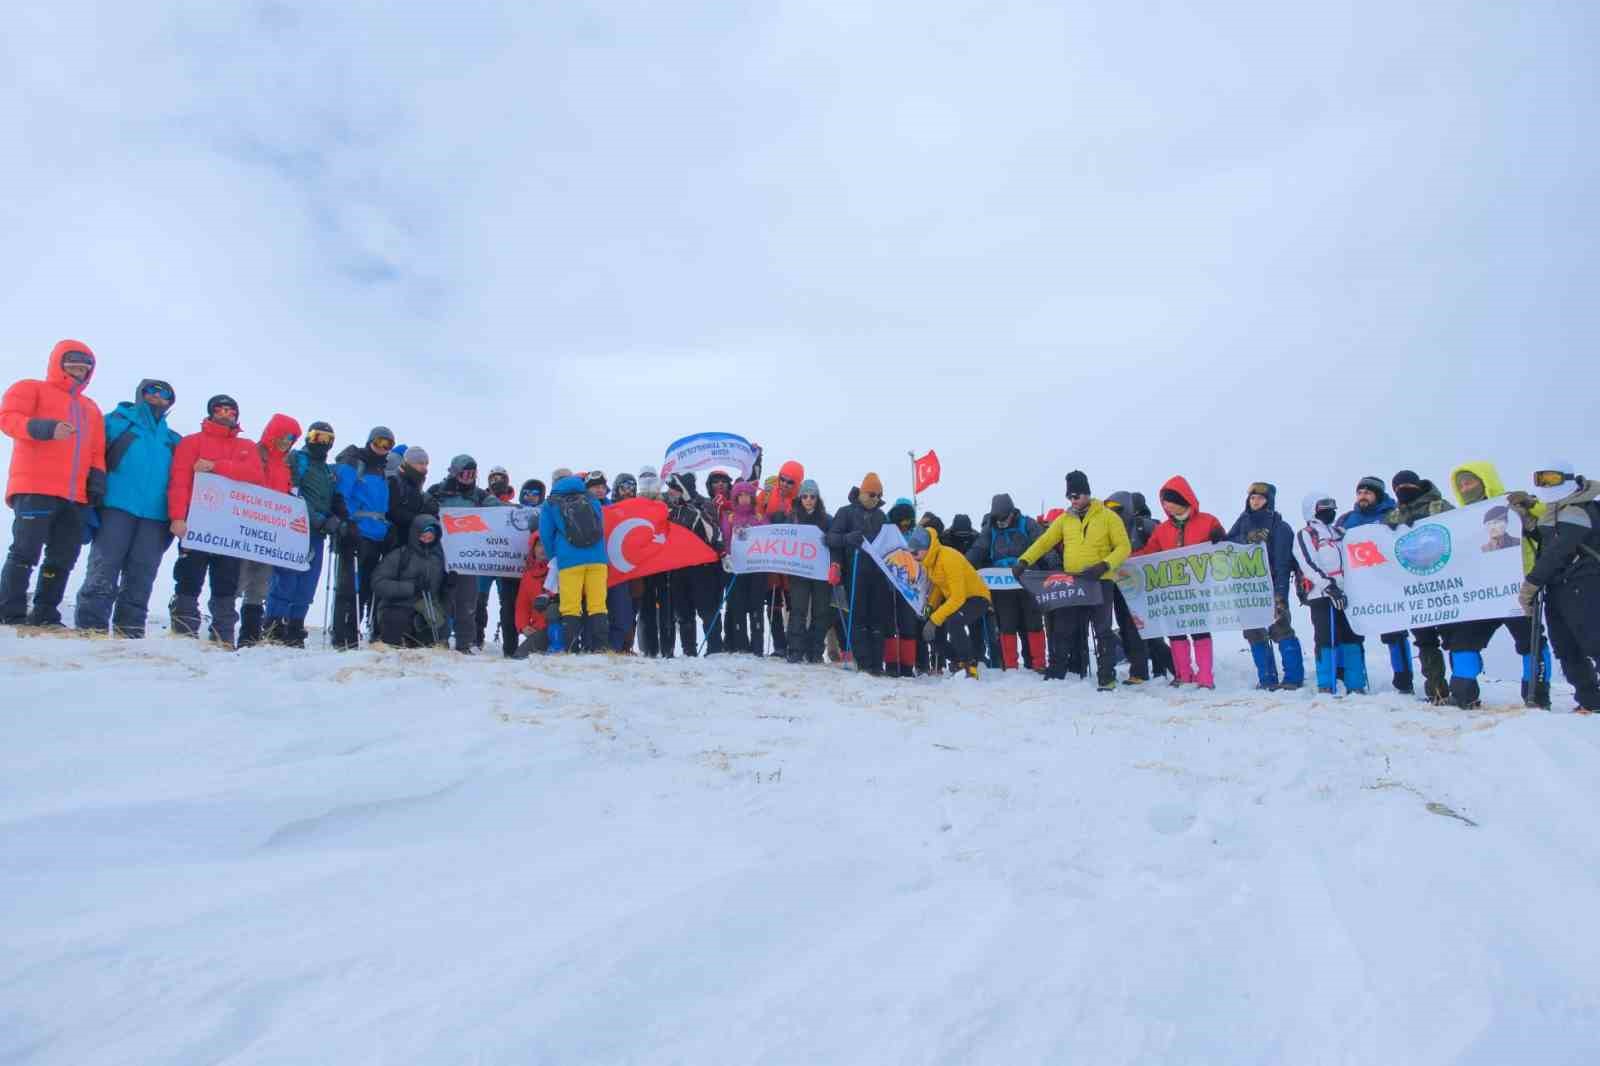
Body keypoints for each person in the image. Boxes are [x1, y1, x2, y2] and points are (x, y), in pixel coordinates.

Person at [1, 341, 106, 627]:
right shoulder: (30, 388)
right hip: (35, 487)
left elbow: (97, 450)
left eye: (85, 366)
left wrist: (96, 480)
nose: (78, 370)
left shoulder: (90, 408)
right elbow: (8, 419)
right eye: (72, 364)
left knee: (62, 557)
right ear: (58, 363)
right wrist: (44, 428)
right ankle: (10, 613)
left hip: (75, 496)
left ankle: (46, 614)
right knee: (25, 551)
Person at [73, 378, 179, 638]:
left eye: (165, 394)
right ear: (141, 394)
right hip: (116, 506)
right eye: (152, 391)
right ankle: (90, 629)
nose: (158, 397)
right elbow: (88, 452)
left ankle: (129, 633)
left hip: (156, 516)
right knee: (104, 566)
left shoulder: (172, 439)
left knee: (142, 573)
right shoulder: (116, 422)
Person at [1443, 461, 1551, 708]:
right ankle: (1463, 695)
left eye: (1470, 481)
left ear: (1485, 481)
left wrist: (1530, 506)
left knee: (1530, 641)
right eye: (1461, 485)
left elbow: (1547, 519)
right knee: (1463, 640)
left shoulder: (1513, 504)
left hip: (1518, 589)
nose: (1465, 487)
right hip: (1479, 593)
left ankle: (1537, 696)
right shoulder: (1459, 520)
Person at [1017, 470, 1130, 689]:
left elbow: (1124, 547)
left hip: (1100, 580)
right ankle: (1057, 673)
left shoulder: (1108, 517)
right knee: (1063, 627)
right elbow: (1045, 542)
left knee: (1102, 630)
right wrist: (1024, 560)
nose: (1073, 500)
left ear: (1087, 493)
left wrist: (1104, 565)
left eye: (1077, 495)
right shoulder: (1064, 519)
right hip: (1074, 581)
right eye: (1070, 496)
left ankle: (1107, 677)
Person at [166, 395, 264, 644]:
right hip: (196, 523)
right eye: (219, 409)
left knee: (226, 582)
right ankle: (184, 633)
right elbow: (179, 483)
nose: (225, 413)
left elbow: (255, 477)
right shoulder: (190, 443)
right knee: (189, 576)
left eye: (230, 410)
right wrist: (177, 517)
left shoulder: (247, 446)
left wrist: (215, 466)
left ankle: (223, 637)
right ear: (210, 412)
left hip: (229, 528)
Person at [1520, 460, 1600, 713]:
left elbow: (1558, 551)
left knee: (1594, 641)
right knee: (1566, 646)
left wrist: (1531, 584)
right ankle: (1590, 701)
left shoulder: (1579, 509)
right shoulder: (1554, 510)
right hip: (1557, 586)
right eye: (1540, 479)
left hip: (1583, 582)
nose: (1546, 485)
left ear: (1569, 479)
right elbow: (1546, 541)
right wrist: (1526, 518)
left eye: (1552, 479)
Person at [1141, 475, 1225, 688]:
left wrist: (1220, 538)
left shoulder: (1208, 521)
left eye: (1169, 500)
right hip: (1171, 590)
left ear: (1182, 499)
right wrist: (1127, 560)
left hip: (1199, 588)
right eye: (1164, 502)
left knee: (1199, 629)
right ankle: (1183, 674)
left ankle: (1205, 676)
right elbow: (1149, 553)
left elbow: (1226, 548)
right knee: (1176, 631)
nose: (1166, 505)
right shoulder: (1162, 530)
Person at [264, 421, 343, 647]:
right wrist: (317, 518)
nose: (322, 443)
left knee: (308, 579)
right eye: (317, 437)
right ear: (309, 438)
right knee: (287, 575)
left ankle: (295, 624)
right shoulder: (298, 460)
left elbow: (329, 496)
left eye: (327, 439)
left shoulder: (326, 470)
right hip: (295, 529)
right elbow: (293, 492)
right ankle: (274, 623)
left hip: (318, 533)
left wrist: (336, 515)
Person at [1227, 482, 1307, 690]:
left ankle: (1293, 678)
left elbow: (1283, 562)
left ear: (1268, 501)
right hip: (1247, 587)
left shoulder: (1280, 527)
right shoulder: (1242, 522)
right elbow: (1228, 545)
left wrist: (1281, 593)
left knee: (1280, 629)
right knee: (1254, 631)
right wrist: (1246, 538)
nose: (1255, 501)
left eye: (1260, 498)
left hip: (1272, 585)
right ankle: (1267, 677)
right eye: (1252, 498)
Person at [1385, 470, 1455, 704]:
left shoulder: (1440, 506)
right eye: (1397, 487)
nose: (1401, 489)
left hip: (1446, 585)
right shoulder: (1396, 514)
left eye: (1406, 485)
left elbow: (1463, 533)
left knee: (1455, 639)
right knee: (1425, 640)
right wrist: (1388, 526)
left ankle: (1464, 686)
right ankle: (1436, 690)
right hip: (1415, 587)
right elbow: (1385, 544)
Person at [1337, 475, 1409, 694]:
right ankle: (1350, 677)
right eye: (1360, 492)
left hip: (1387, 583)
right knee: (1351, 630)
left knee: (1394, 632)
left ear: (1378, 495)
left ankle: (1403, 679)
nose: (1363, 496)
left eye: (1368, 492)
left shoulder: (1393, 514)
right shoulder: (1347, 519)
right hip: (1357, 584)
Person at [236, 413, 302, 647]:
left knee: (260, 583)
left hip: (269, 535)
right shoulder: (251, 454)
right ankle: (220, 627)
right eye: (283, 436)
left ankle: (250, 635)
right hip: (244, 529)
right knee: (237, 579)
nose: (286, 442)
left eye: (291, 438)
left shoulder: (284, 467)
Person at [1292, 491, 1367, 695]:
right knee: (1326, 637)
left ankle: (1355, 682)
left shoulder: (1340, 533)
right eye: (1324, 506)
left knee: (1352, 636)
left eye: (1332, 506)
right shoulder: (1307, 534)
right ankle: (1326, 681)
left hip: (1346, 592)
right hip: (1322, 594)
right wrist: (1328, 585)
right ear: (1313, 509)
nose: (1330, 510)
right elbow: (1307, 562)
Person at [427, 455, 502, 653]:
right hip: (441, 553)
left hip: (468, 556)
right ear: (454, 472)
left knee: (467, 600)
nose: (468, 477)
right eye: (464, 473)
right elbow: (424, 514)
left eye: (472, 474)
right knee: (440, 597)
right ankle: (439, 639)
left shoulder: (479, 496)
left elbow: (498, 513)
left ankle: (464, 643)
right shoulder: (437, 492)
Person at [965, 492, 1045, 672]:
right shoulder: (990, 529)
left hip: (1027, 581)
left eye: (1003, 518)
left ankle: (1039, 663)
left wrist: (1054, 566)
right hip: (1002, 586)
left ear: (1012, 513)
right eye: (997, 519)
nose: (1000, 522)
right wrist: (964, 565)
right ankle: (1010, 666)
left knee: (1033, 622)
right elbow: (978, 549)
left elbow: (1043, 546)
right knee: (1006, 624)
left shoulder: (1028, 524)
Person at [331, 427, 395, 649]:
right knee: (351, 586)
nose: (382, 448)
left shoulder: (382, 469)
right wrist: (346, 523)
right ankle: (344, 636)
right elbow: (342, 494)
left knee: (367, 586)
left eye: (388, 445)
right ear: (369, 441)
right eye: (378, 442)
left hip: (377, 534)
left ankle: (357, 632)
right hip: (357, 531)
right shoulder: (355, 462)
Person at [827, 472, 893, 674]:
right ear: (862, 492)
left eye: (878, 495)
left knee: (876, 620)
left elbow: (891, 545)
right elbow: (830, 539)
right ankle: (864, 662)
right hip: (854, 573)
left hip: (877, 575)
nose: (875, 499)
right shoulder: (846, 512)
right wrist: (847, 539)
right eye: (871, 494)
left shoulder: (882, 517)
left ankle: (877, 663)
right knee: (858, 619)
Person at [539, 473, 610, 654]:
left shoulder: (551, 503)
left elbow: (546, 535)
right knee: (598, 604)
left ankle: (571, 648)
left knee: (570, 606)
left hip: (569, 559)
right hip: (597, 559)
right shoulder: (590, 498)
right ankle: (600, 648)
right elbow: (600, 526)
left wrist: (554, 556)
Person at [908, 527, 990, 679]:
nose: (913, 556)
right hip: (958, 599)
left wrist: (934, 619)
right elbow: (939, 587)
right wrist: (929, 608)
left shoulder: (948, 558)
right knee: (934, 634)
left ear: (926, 548)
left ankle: (969, 665)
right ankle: (957, 661)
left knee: (954, 621)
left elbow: (958, 597)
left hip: (976, 598)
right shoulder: (930, 561)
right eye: (910, 552)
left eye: (915, 552)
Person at [666, 472, 723, 654]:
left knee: (708, 610)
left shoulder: (704, 504)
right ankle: (688, 650)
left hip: (703, 569)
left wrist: (694, 508)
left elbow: (715, 533)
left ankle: (714, 649)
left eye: (674, 490)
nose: (670, 493)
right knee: (683, 612)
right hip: (678, 567)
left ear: (683, 490)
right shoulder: (671, 510)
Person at [370, 514, 447, 647]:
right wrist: (411, 588)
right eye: (424, 534)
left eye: (431, 535)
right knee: (397, 630)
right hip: (397, 607)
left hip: (425, 610)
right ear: (415, 533)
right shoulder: (400, 555)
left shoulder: (438, 560)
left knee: (439, 632)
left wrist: (449, 585)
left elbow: (439, 593)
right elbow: (378, 582)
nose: (427, 539)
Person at [782, 479, 833, 664]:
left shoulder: (827, 520)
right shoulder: (793, 518)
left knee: (821, 612)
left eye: (812, 496)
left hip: (820, 573)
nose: (809, 500)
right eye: (805, 496)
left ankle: (815, 651)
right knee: (798, 611)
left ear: (817, 498)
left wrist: (831, 539)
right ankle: (796, 650)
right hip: (799, 572)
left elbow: (835, 543)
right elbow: (783, 540)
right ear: (800, 498)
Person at [720, 479, 767, 654]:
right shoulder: (729, 518)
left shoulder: (760, 517)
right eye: (740, 496)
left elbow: (770, 538)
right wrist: (726, 556)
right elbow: (724, 540)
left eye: (748, 495)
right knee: (737, 607)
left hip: (756, 569)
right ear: (735, 498)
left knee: (756, 607)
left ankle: (757, 647)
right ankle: (740, 646)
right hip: (736, 570)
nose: (745, 499)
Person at [884, 497, 924, 676]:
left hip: (910, 588)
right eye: (901, 521)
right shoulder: (886, 531)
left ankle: (907, 666)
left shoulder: (917, 536)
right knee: (890, 626)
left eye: (908, 521)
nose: (905, 525)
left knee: (908, 626)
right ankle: (892, 664)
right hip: (888, 585)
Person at [511, 532, 554, 658]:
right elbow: (522, 605)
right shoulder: (528, 576)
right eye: (539, 545)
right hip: (537, 630)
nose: (543, 549)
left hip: (558, 628)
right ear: (533, 549)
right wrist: (523, 626)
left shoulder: (560, 570)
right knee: (520, 656)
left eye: (546, 545)